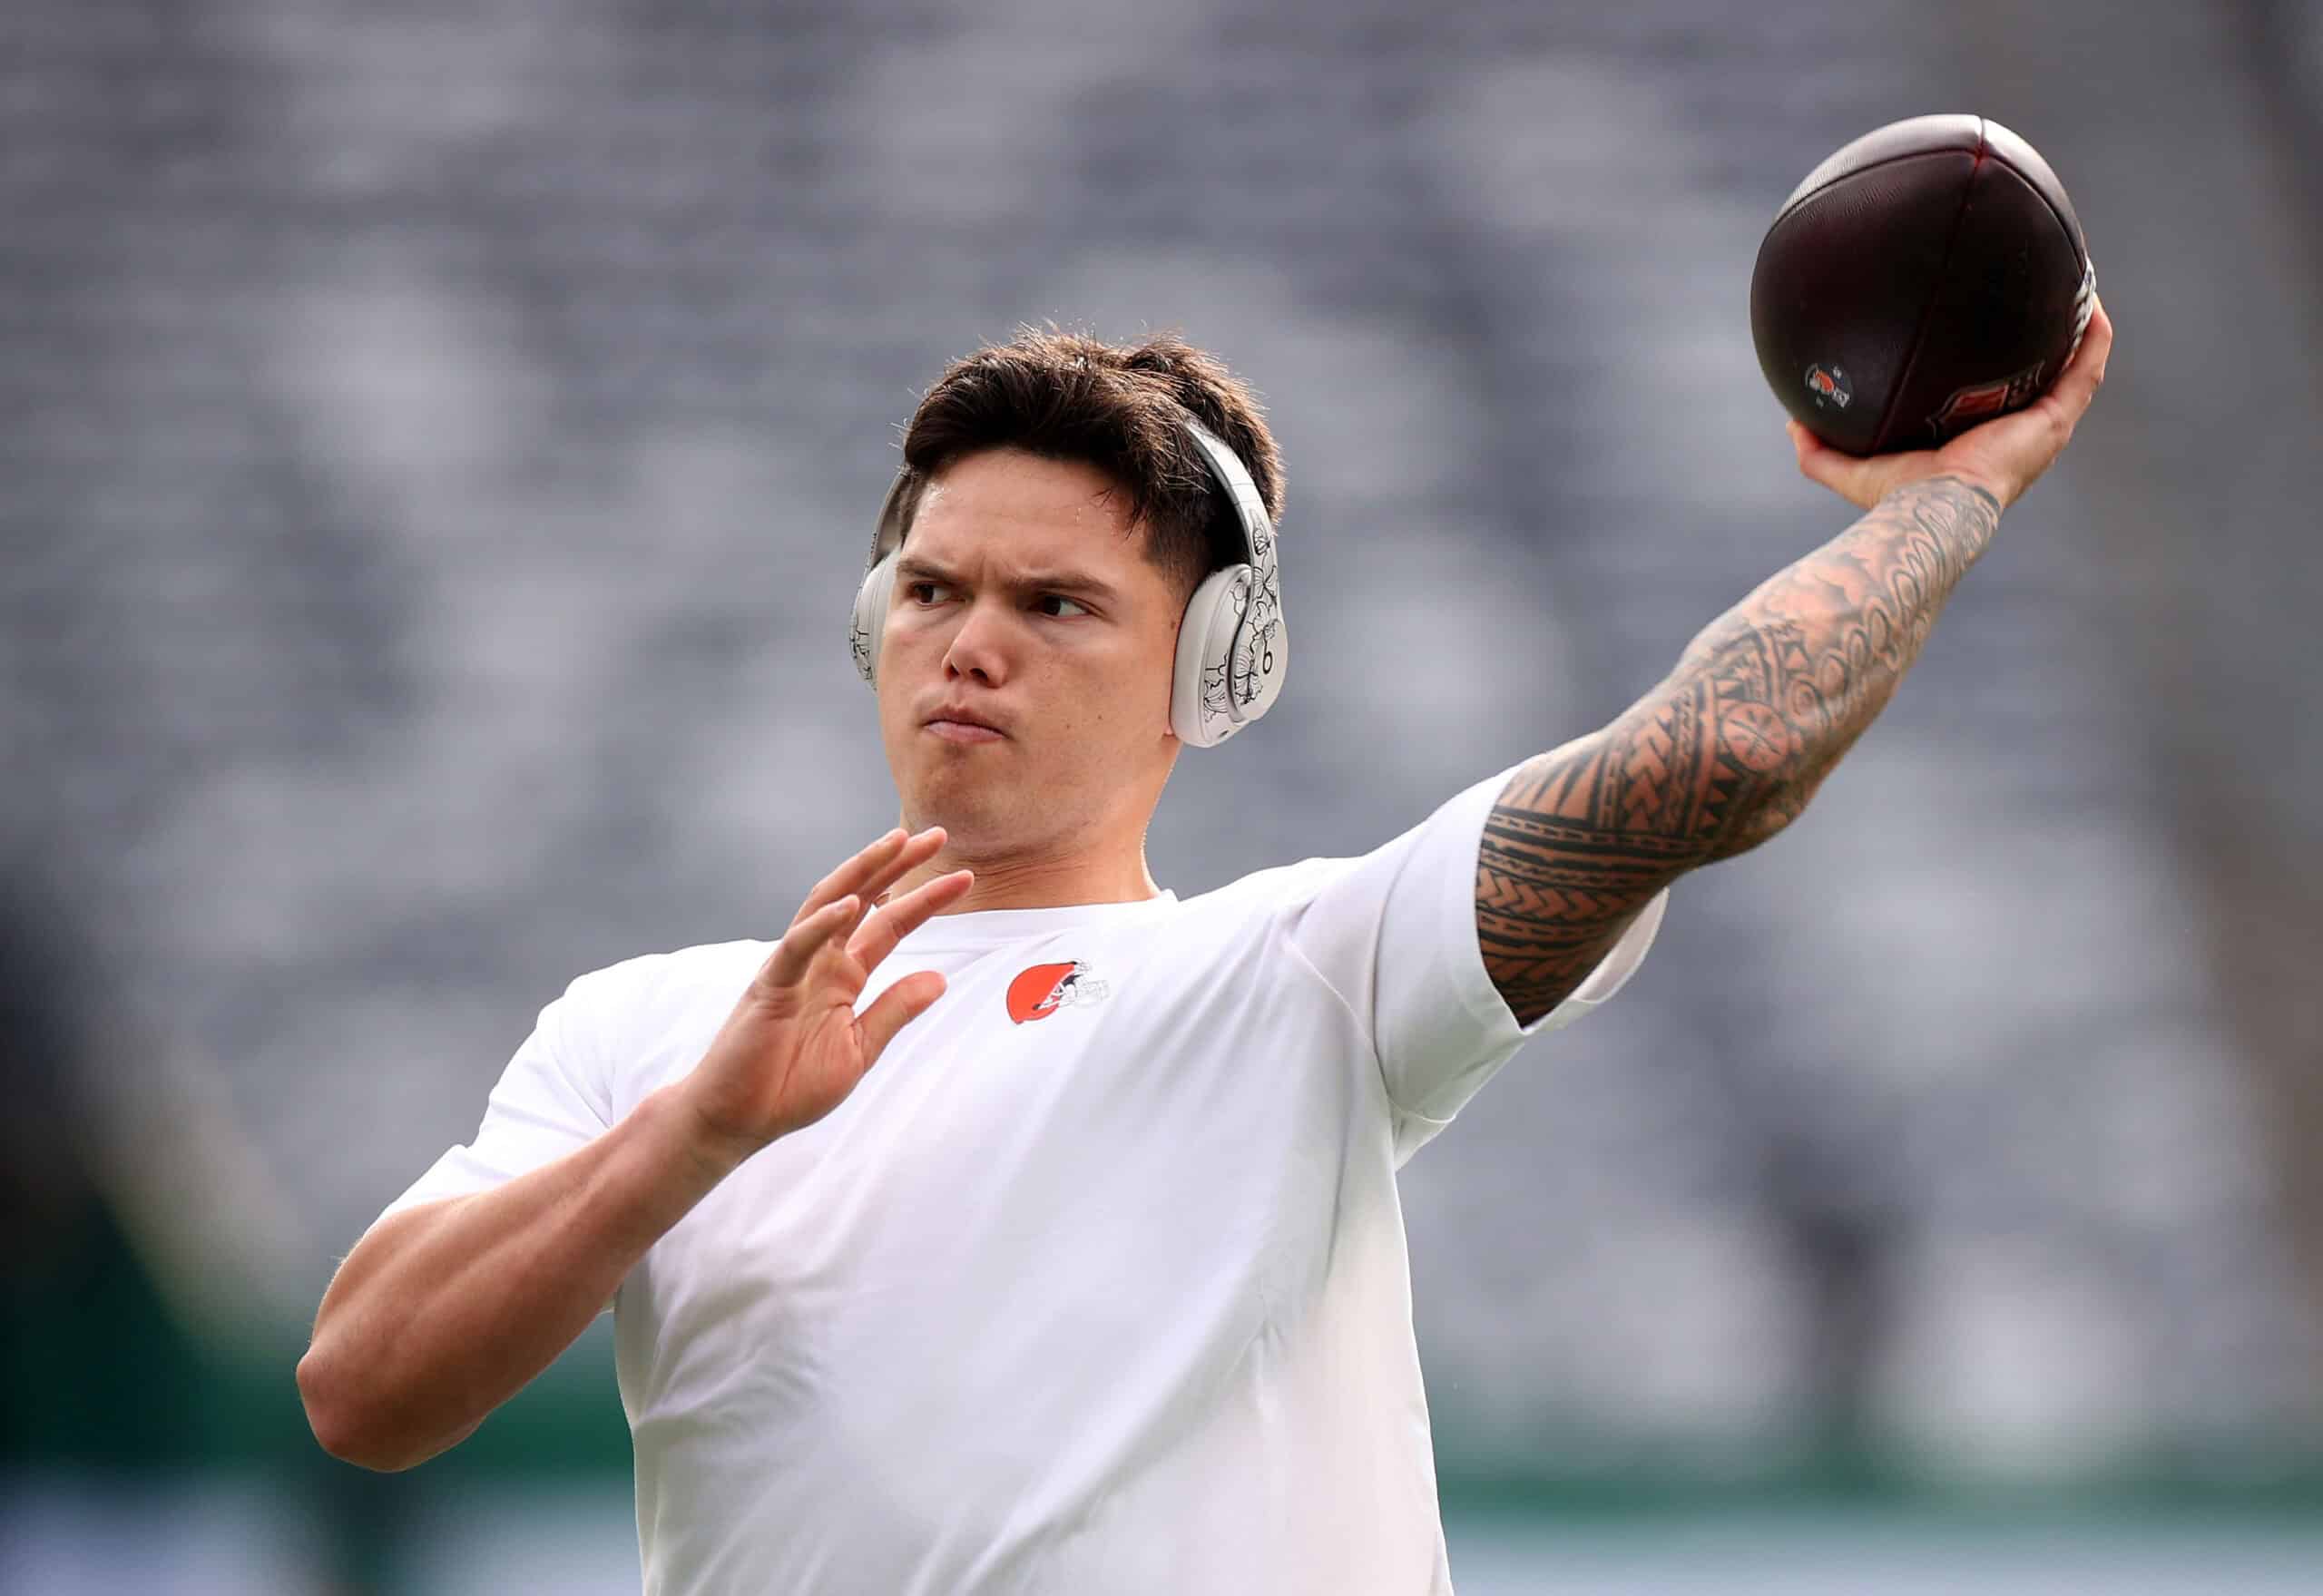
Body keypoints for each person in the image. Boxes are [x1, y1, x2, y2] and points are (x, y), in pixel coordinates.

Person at [298, 308, 2112, 1594]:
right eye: (929, 589)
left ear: (1216, 666)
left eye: (1054, 603)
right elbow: (360, 1389)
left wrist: (1943, 501)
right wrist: (694, 1135)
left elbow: (1716, 756)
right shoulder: (653, 1033)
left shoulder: (1296, 975)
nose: (965, 643)